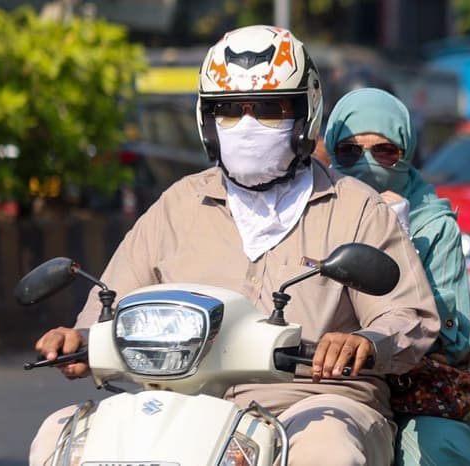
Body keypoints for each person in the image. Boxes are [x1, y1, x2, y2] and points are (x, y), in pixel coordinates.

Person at [28, 25, 440, 466]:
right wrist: (81, 340)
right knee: (60, 436)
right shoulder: (177, 205)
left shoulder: (357, 208)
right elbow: (110, 306)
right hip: (184, 406)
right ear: (207, 120)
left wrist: (366, 342)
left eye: (269, 109)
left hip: (314, 404)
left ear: (305, 114)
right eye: (229, 110)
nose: (247, 126)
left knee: (328, 453)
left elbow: (409, 316)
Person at [323, 87, 470, 465]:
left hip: (411, 388)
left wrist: (400, 243)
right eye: (349, 151)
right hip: (325, 379)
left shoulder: (434, 224)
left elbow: (453, 339)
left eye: (384, 152)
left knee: (435, 447)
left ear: (407, 151)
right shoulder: (313, 210)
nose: (367, 164)